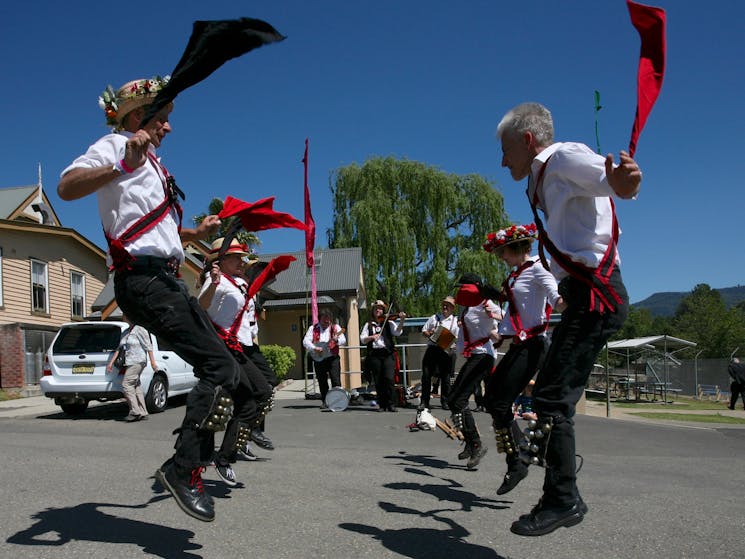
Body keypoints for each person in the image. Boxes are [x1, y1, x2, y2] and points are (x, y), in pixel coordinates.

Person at [58, 76, 241, 522]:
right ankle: (184, 470)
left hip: (163, 279)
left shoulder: (155, 165)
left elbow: (148, 227)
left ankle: (187, 468)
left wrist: (193, 235)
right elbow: (67, 186)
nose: (169, 128)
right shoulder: (115, 147)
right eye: (164, 118)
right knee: (220, 368)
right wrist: (122, 164)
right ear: (138, 117)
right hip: (143, 281)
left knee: (228, 369)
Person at [496, 102, 640, 536]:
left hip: (598, 296)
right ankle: (557, 492)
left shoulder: (561, 157)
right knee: (551, 397)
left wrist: (623, 182)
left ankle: (562, 499)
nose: (503, 161)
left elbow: (610, 179)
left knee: (553, 398)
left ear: (526, 140)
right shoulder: (543, 178)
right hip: (583, 296)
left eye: (505, 150)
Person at [481, 223, 562, 496]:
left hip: (535, 344)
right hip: (519, 343)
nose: (501, 257)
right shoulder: (517, 275)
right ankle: (517, 458)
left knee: (500, 401)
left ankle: (519, 460)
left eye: (503, 251)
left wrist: (572, 300)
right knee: (491, 398)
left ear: (518, 248)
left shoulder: (539, 268)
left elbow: (556, 298)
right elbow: (514, 309)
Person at [198, 238, 277, 487]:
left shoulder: (241, 283)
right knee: (233, 402)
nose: (242, 261)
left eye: (243, 257)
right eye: (236, 257)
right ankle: (219, 457)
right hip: (224, 348)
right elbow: (201, 306)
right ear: (220, 261)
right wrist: (214, 280)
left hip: (241, 346)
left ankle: (233, 447)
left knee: (262, 392)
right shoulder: (215, 281)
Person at [449, 274, 502, 470]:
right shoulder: (467, 307)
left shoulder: (484, 302)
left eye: (463, 287)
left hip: (484, 355)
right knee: (453, 399)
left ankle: (476, 444)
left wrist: (493, 316)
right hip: (474, 356)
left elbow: (504, 317)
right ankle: (471, 443)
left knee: (459, 399)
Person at [107, 319, 158, 422]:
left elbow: (148, 346)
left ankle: (135, 411)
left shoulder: (140, 329)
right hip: (129, 362)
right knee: (136, 385)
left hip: (138, 361)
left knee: (126, 384)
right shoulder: (126, 332)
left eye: (127, 315)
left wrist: (153, 362)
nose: (125, 318)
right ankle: (143, 412)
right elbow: (119, 348)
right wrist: (111, 363)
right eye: (124, 316)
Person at [360, 300, 406, 412]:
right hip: (375, 355)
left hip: (387, 354)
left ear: (383, 310)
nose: (378, 310)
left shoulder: (389, 322)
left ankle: (391, 403)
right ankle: (382, 404)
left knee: (389, 378)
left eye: (380, 308)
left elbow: (398, 332)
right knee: (378, 380)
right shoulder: (368, 324)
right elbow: (362, 339)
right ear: (373, 311)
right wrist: (372, 337)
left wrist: (402, 320)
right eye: (376, 308)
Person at [419, 296, 459, 410]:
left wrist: (448, 341)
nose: (445, 307)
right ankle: (424, 401)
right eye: (444, 305)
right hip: (432, 349)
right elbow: (424, 331)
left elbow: (457, 338)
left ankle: (445, 401)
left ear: (452, 308)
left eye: (448, 305)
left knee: (445, 378)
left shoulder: (455, 321)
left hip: (445, 352)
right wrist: (430, 333)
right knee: (426, 376)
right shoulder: (434, 318)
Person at [303, 308, 347, 409]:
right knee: (322, 381)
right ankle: (325, 401)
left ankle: (338, 402)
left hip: (332, 357)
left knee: (336, 380)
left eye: (328, 320)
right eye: (324, 320)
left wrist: (336, 341)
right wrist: (314, 348)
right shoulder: (312, 328)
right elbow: (306, 341)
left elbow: (343, 340)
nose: (326, 322)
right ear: (320, 319)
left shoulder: (335, 327)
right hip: (319, 358)